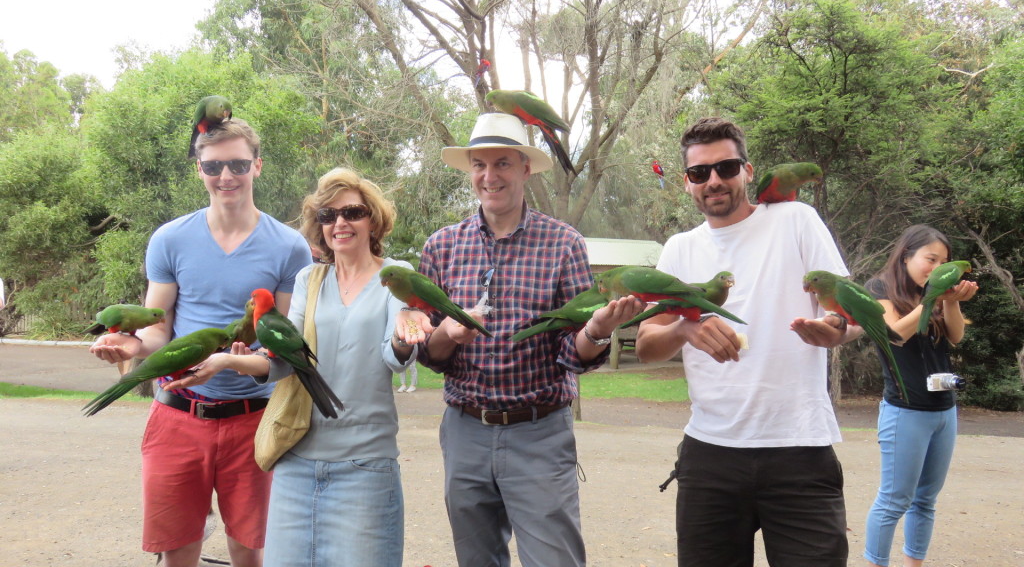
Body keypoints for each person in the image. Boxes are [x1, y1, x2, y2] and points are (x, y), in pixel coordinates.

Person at [398, 112, 644, 567]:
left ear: (525, 169)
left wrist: (597, 331)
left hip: (540, 431)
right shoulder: (441, 247)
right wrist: (448, 335)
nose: (489, 176)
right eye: (479, 165)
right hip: (465, 429)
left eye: (503, 164)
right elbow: (430, 357)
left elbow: (574, 353)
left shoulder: (564, 244)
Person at [635, 117, 859, 567]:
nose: (714, 181)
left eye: (726, 168)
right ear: (687, 184)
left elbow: (848, 318)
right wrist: (684, 329)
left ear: (748, 171)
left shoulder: (796, 220)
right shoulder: (679, 249)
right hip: (710, 454)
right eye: (700, 173)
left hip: (799, 448)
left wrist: (835, 330)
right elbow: (645, 343)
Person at [90, 118, 311, 567]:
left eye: (237, 164)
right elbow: (158, 329)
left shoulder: (289, 247)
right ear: (199, 170)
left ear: (257, 166)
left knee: (250, 547)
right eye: (213, 166)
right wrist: (132, 347)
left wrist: (241, 360)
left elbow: (282, 342)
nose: (226, 176)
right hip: (179, 414)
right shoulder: (170, 238)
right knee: (177, 549)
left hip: (254, 419)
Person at [224, 167, 418, 567]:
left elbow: (395, 358)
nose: (340, 223)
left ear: (373, 220)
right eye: (328, 216)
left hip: (364, 467)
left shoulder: (395, 275)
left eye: (352, 212)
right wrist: (236, 361)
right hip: (297, 463)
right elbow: (285, 362)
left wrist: (404, 336)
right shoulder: (309, 279)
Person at [862, 224, 978, 567]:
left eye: (943, 261)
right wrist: (933, 298)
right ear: (906, 255)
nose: (936, 267)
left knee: (926, 500)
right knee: (894, 500)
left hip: (943, 411)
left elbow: (956, 336)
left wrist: (949, 300)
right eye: (930, 258)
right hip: (905, 409)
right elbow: (894, 333)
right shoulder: (878, 287)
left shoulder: (935, 291)